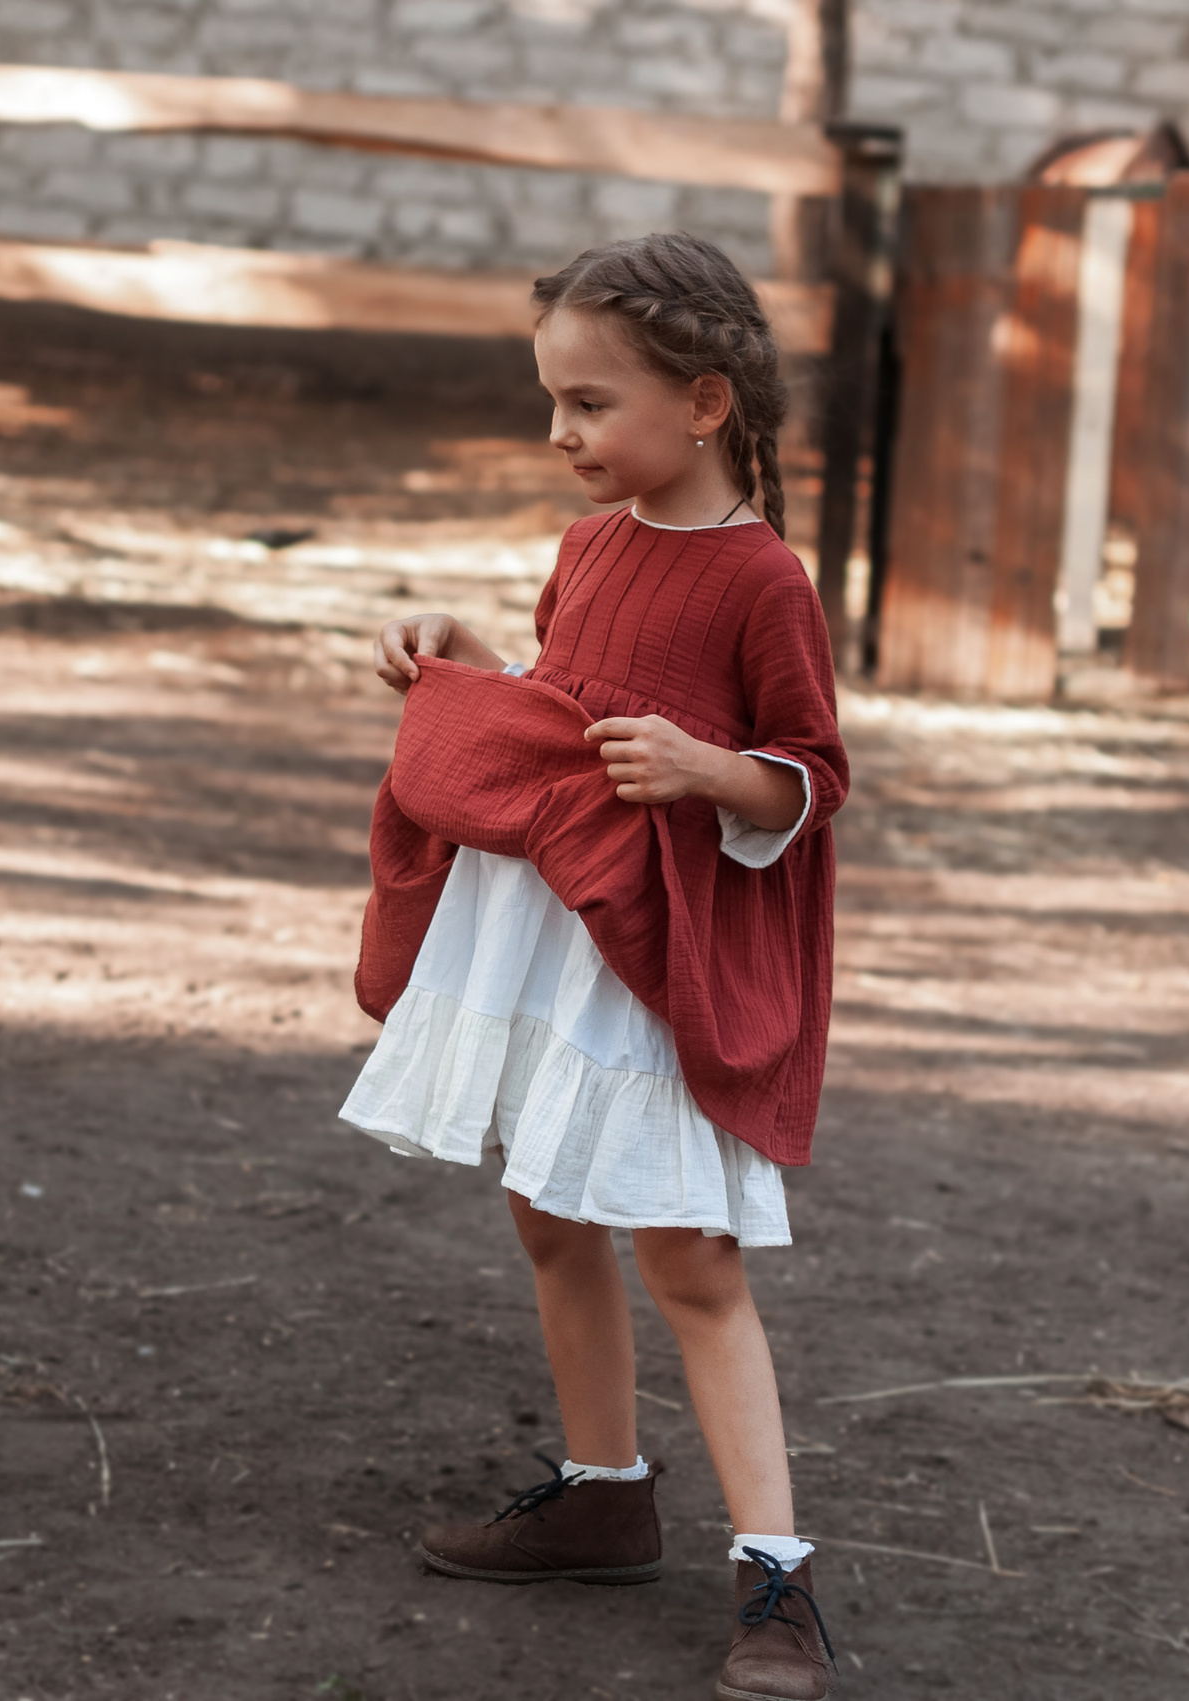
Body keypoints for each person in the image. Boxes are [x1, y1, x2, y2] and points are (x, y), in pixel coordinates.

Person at [341, 232, 849, 1701]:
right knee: (549, 1209)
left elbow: (813, 778)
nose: (559, 432)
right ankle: (603, 1492)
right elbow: (569, 707)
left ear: (703, 403)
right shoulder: (590, 546)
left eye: (589, 403)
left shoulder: (763, 581)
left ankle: (777, 1576)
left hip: (663, 949)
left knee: (689, 1256)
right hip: (563, 928)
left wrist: (711, 770)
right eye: (552, 401)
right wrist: (469, 656)